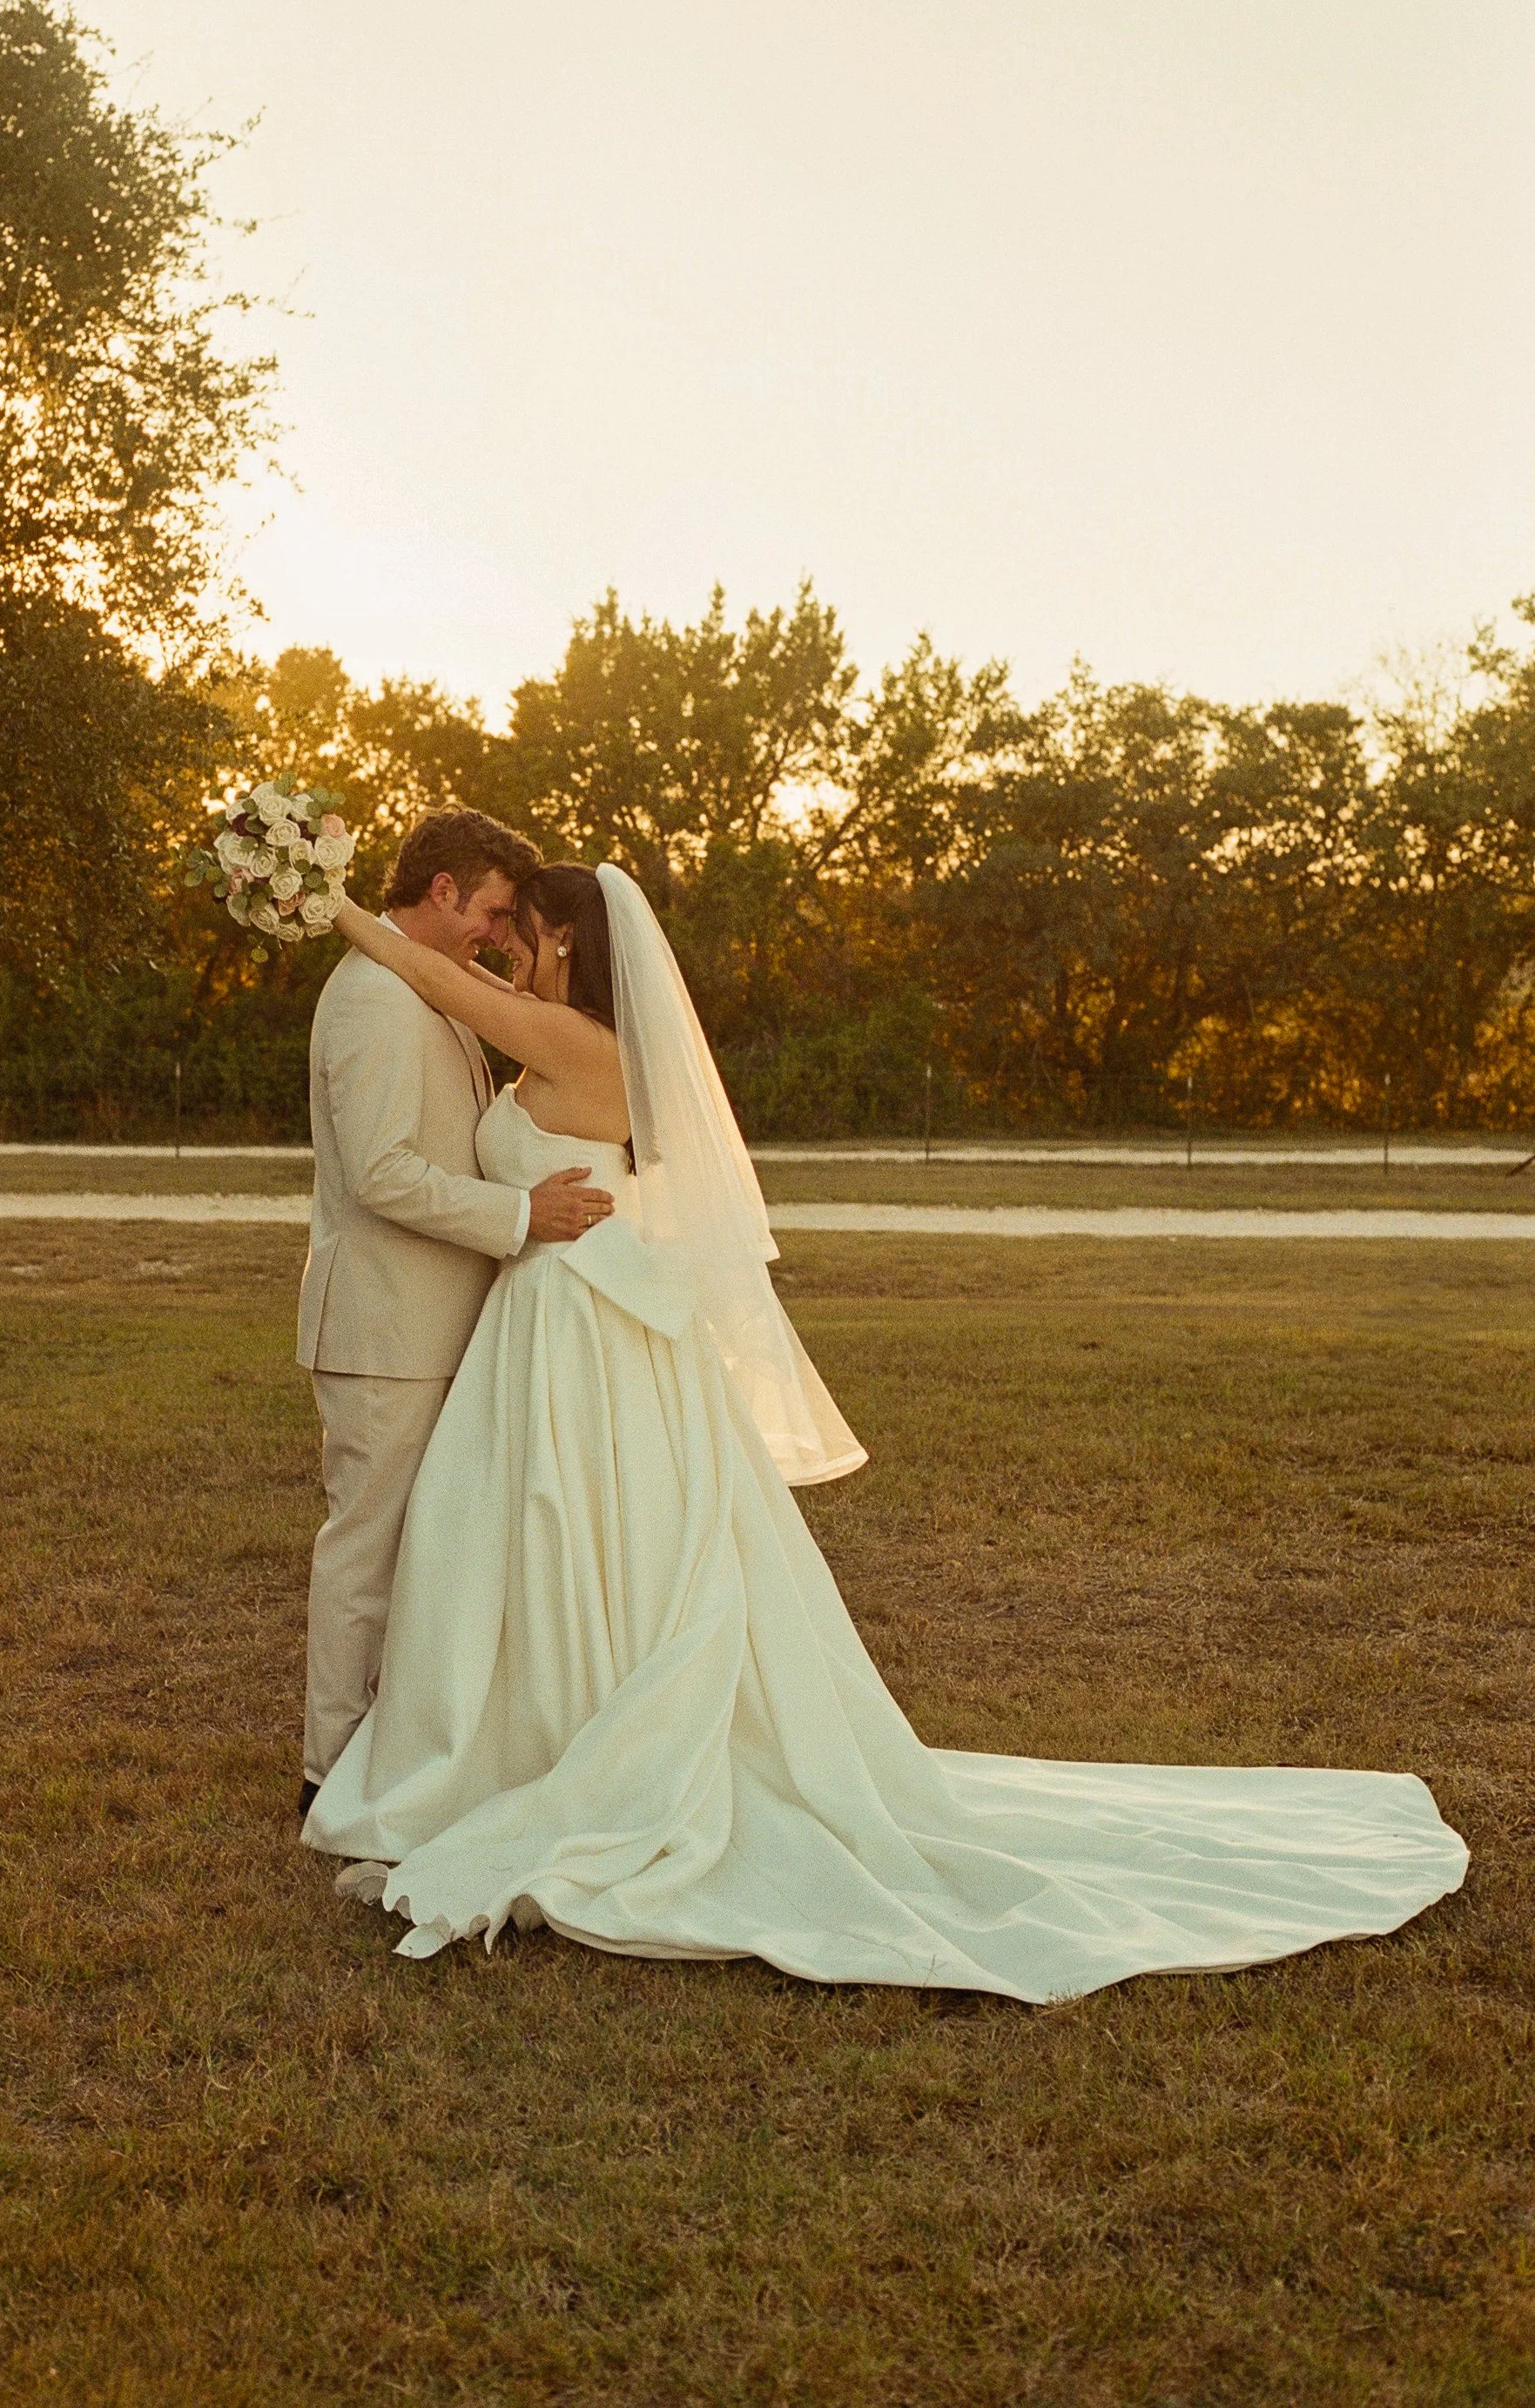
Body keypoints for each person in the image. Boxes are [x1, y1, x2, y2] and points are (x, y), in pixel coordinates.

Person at [302, 858, 1468, 1999]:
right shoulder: (553, 1024)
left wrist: (326, 900)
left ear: (564, 940)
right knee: (540, 1545)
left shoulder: (576, 1045)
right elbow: (480, 995)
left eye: (525, 925)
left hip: (576, 1337)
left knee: (569, 1538)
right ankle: (519, 1726)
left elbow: (453, 988)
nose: (505, 941)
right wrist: (483, 956)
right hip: (553, 1329)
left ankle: (548, 1747)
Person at [295, 809, 616, 1818]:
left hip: (457, 1331)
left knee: (432, 1557)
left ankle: (408, 1746)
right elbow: (385, 1172)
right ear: (441, 890)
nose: (496, 933)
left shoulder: (429, 993)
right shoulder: (374, 1004)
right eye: (488, 909)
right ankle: (328, 1768)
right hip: (388, 1331)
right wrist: (524, 1213)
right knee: (368, 1554)